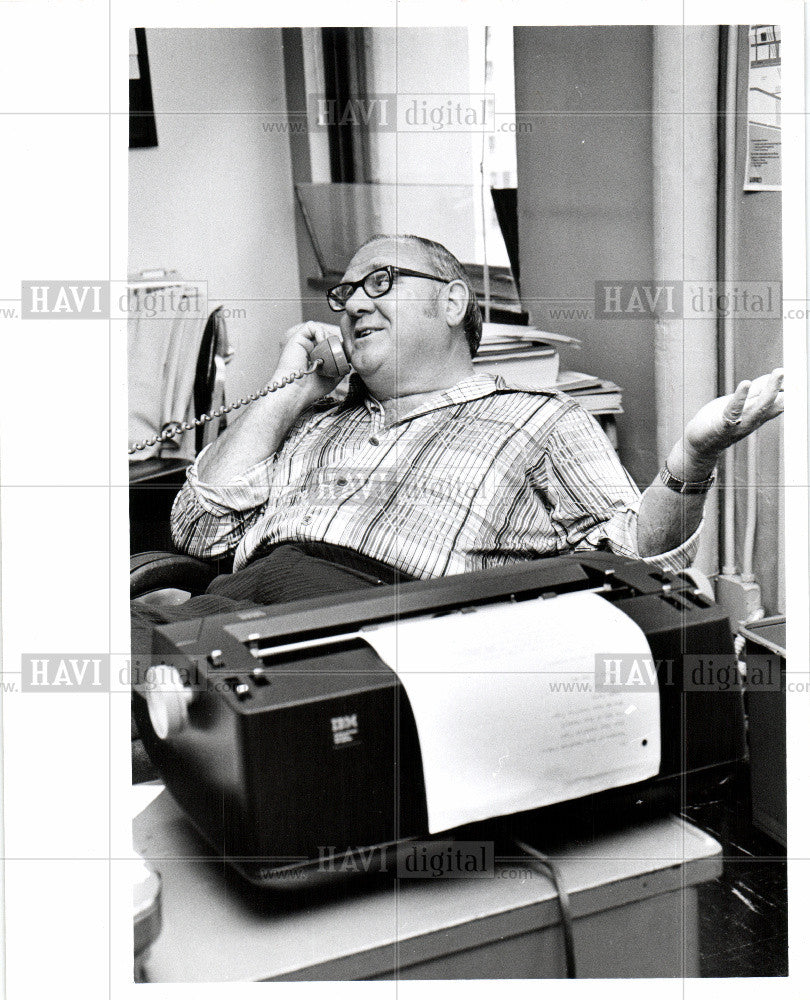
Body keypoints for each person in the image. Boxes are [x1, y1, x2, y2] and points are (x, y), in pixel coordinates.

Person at [131, 234, 784, 654]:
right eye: (344, 293)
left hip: (358, 636)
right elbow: (198, 529)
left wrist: (690, 461)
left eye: (379, 282)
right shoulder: (316, 415)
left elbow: (645, 567)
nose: (353, 303)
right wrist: (286, 389)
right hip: (228, 609)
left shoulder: (538, 421)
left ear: (451, 302)